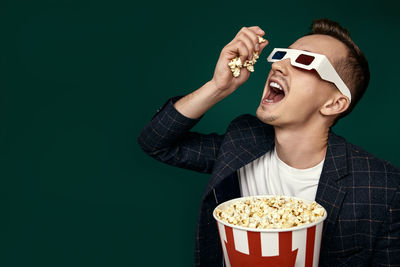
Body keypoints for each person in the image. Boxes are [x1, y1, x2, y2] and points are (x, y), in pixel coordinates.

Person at [138, 19, 400, 266]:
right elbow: (156, 142)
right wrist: (218, 86)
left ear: (335, 103)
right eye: (282, 55)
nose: (278, 65)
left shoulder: (383, 189)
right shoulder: (242, 142)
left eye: (305, 61)